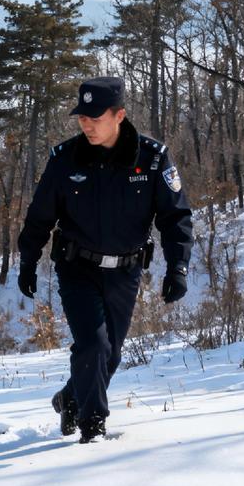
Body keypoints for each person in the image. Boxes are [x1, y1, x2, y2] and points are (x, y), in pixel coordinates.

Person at [16, 76, 193, 443]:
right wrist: (28, 262)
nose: (86, 124)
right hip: (77, 268)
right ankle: (92, 428)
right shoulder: (65, 160)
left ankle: (70, 398)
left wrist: (178, 267)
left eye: (95, 117)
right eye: (82, 116)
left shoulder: (152, 158)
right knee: (93, 345)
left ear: (120, 115)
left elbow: (175, 217)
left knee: (108, 356)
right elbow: (40, 217)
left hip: (126, 273)